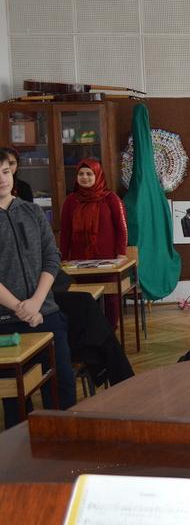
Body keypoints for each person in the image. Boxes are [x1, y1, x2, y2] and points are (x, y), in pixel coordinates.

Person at [0, 160, 76, 426]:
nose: (2, 179)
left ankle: (66, 441)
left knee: (62, 384)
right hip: (5, 322)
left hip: (45, 313)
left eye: (5, 172)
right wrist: (20, 308)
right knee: (15, 399)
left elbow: (52, 258)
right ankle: (22, 447)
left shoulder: (32, 211)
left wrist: (36, 302)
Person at [59, 158, 128, 261]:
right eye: (80, 174)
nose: (84, 177)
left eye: (89, 174)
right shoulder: (71, 200)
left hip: (108, 259)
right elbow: (65, 231)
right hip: (78, 260)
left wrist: (121, 254)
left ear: (98, 175)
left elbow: (121, 228)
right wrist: (63, 258)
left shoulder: (111, 198)